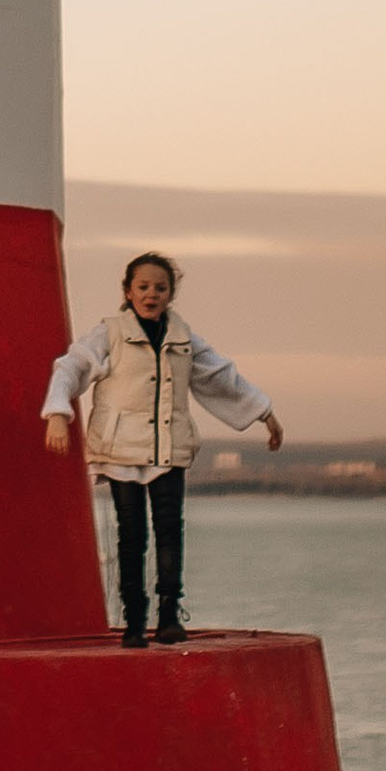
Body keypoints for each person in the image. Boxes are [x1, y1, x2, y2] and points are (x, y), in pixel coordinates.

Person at [42, 252, 284, 645]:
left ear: (171, 294)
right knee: (132, 535)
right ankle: (135, 621)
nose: (151, 294)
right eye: (143, 287)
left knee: (170, 531)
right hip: (121, 450)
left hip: (169, 448)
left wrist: (264, 412)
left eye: (160, 287)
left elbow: (221, 376)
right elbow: (72, 366)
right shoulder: (109, 333)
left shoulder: (183, 337)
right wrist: (57, 412)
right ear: (127, 291)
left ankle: (170, 614)